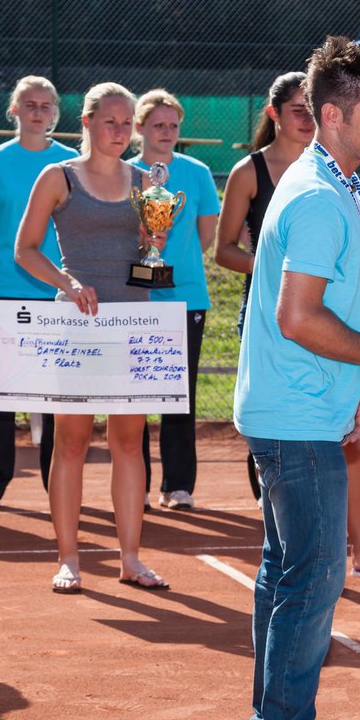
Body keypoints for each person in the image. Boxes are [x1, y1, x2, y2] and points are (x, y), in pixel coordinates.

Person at [236, 37, 360, 720]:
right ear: (330, 114)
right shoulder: (313, 197)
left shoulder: (328, 184)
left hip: (299, 411)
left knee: (286, 572)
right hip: (295, 417)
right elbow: (297, 317)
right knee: (315, 577)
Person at [15, 82, 166, 595]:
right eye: (110, 122)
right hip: (75, 327)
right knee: (71, 443)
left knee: (129, 443)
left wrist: (153, 248)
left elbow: (152, 273)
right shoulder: (57, 177)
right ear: (86, 123)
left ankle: (130, 559)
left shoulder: (149, 184)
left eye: (127, 124)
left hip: (133, 326)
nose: (120, 132)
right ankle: (69, 560)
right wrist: (68, 282)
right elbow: (25, 250)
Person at [0, 76, 73, 510]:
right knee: (1, 390)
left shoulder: (70, 163)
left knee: (58, 393)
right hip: (7, 291)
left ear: (55, 113)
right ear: (13, 110)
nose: (38, 112)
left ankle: (58, 484)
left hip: (60, 293)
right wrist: (10, 266)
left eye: (46, 105)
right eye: (29, 104)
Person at [216, 71, 314, 501]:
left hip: (322, 311)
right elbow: (223, 250)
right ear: (274, 113)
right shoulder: (248, 171)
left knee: (316, 409)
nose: (308, 119)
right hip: (263, 312)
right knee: (269, 411)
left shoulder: (331, 167)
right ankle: (269, 501)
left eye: (313, 109)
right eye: (298, 110)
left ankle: (310, 496)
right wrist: (275, 267)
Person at [131, 89, 221, 510]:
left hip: (186, 297)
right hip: (133, 299)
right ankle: (137, 486)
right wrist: (148, 256)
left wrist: (172, 260)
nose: (166, 133)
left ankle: (178, 485)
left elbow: (206, 234)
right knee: (134, 397)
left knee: (179, 395)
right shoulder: (123, 173)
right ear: (139, 128)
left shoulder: (198, 172)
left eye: (173, 126)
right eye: (158, 125)